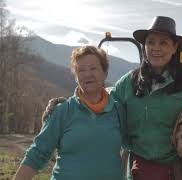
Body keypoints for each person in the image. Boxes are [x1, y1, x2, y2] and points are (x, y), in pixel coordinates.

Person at [111, 16, 182, 180]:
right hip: (139, 170)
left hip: (180, 172)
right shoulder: (128, 83)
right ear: (144, 47)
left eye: (163, 43)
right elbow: (107, 108)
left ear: (175, 48)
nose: (156, 48)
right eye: (150, 42)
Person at [14, 46, 124, 180]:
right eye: (81, 70)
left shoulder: (118, 110)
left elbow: (129, 147)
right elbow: (37, 154)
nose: (87, 74)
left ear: (105, 72)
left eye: (93, 68)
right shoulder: (62, 111)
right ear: (76, 77)